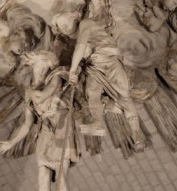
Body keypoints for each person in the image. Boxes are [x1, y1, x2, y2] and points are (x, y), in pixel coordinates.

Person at [0, 51, 76, 191]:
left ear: (48, 64)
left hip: (60, 130)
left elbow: (41, 97)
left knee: (62, 179)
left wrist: (30, 93)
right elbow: (27, 123)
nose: (36, 68)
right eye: (33, 65)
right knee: (42, 180)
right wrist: (11, 142)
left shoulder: (55, 77)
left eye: (38, 63)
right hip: (45, 133)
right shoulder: (30, 90)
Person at [51, 8, 146, 151]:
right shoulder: (74, 40)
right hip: (94, 67)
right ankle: (98, 123)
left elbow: (81, 46)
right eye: (61, 27)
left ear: (73, 18)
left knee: (124, 96)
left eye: (65, 23)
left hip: (110, 61)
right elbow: (82, 55)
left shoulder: (85, 23)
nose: (64, 28)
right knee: (92, 94)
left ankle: (137, 133)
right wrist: (76, 71)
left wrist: (72, 70)